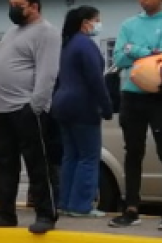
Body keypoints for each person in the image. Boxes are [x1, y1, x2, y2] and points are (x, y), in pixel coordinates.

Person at [0, 0, 63, 234]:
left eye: (18, 4)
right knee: (5, 164)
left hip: (26, 109)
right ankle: (5, 213)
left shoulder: (46, 32)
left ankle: (46, 214)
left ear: (34, 6)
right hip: (0, 109)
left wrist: (36, 106)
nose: (13, 8)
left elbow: (47, 73)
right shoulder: (12, 32)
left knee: (38, 165)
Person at [109, 0, 162, 229]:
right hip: (131, 97)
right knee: (133, 152)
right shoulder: (129, 24)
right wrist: (145, 52)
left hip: (160, 96)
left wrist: (133, 49)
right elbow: (119, 58)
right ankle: (131, 207)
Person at [51, 6, 113, 218]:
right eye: (96, 20)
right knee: (88, 157)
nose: (98, 24)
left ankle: (66, 202)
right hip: (83, 107)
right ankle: (81, 205)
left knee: (71, 156)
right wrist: (107, 107)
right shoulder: (86, 45)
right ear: (86, 22)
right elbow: (96, 80)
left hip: (62, 105)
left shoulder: (67, 44)